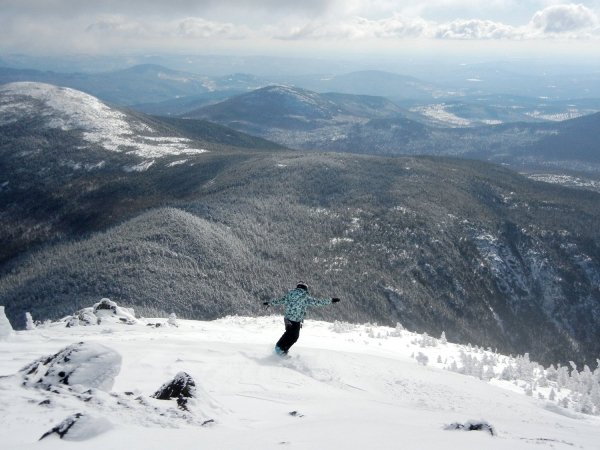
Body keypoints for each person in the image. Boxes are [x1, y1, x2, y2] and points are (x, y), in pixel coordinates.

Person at [264, 281, 340, 355]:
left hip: (288, 319)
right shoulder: (305, 297)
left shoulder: (290, 294)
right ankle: (280, 349)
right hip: (296, 320)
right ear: (305, 288)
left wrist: (270, 303)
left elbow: (280, 300)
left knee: (289, 334)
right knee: (294, 337)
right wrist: (331, 300)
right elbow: (318, 302)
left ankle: (281, 349)